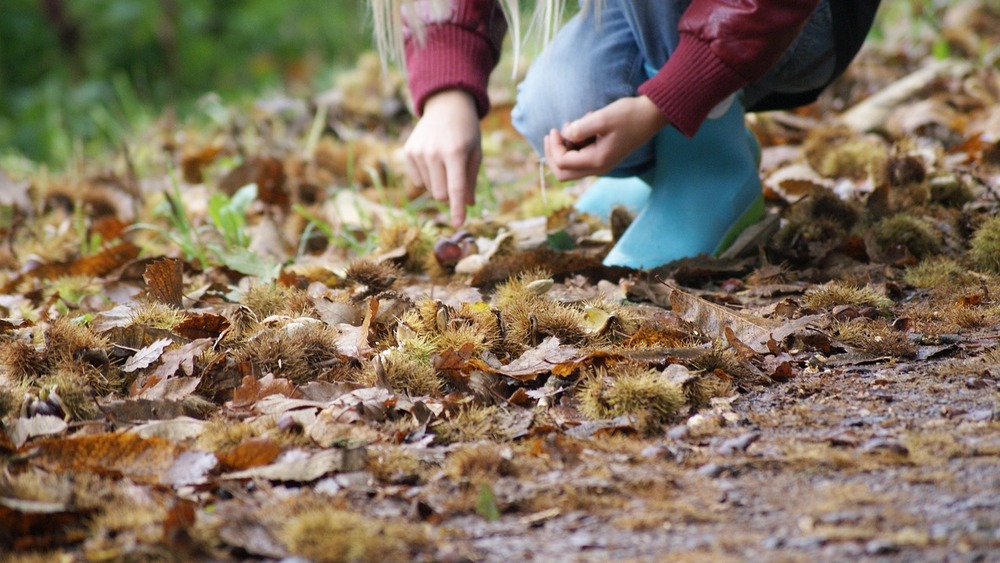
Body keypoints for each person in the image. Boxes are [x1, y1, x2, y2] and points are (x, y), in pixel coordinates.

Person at [372, 0, 881, 269]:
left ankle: (708, 164)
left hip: (800, 16)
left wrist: (672, 97)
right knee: (558, 109)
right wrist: (446, 93)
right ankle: (669, 158)